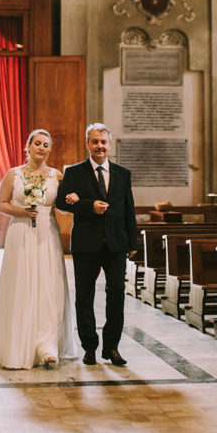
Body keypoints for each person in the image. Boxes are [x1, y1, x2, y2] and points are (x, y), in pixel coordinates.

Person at [0, 129, 76, 370]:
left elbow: (64, 207)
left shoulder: (56, 176)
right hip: (21, 233)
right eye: (37, 143)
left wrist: (73, 200)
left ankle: (48, 347)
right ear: (27, 146)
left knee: (49, 287)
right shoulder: (13, 175)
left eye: (46, 145)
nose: (42, 148)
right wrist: (22, 212)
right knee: (22, 286)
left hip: (48, 233)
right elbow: (2, 204)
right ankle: (19, 344)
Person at [56, 123, 137, 366]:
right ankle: (90, 347)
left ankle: (111, 347)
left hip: (116, 244)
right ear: (87, 144)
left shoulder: (122, 174)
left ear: (109, 145)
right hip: (86, 244)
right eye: (94, 141)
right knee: (85, 296)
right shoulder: (75, 172)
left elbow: (128, 209)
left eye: (103, 142)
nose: (99, 146)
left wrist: (132, 242)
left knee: (116, 297)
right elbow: (61, 202)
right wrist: (88, 205)